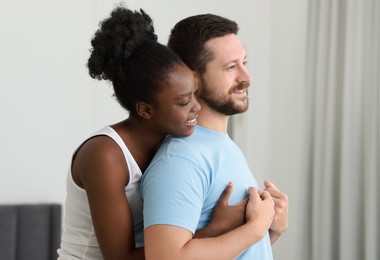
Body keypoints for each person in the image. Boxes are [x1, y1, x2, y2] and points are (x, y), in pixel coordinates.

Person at [57, 7, 251, 260]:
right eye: (183, 101)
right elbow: (120, 258)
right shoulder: (105, 155)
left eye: (194, 92)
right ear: (146, 110)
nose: (196, 106)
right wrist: (215, 229)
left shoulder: (175, 143)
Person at [141, 14, 289, 259]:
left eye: (244, 63)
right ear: (193, 79)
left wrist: (272, 230)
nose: (246, 77)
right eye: (231, 67)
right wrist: (255, 229)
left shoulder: (222, 146)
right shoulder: (180, 158)